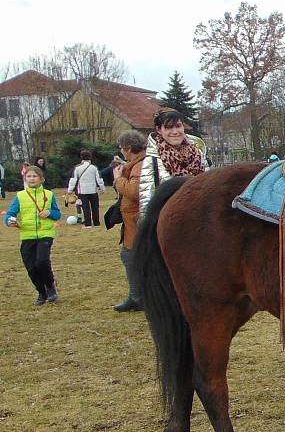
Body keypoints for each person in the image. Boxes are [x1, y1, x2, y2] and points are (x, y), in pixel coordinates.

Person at [3, 165, 61, 305]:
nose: (31, 179)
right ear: (25, 179)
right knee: (31, 267)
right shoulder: (20, 196)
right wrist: (10, 221)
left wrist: (50, 213)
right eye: (29, 176)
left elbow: (57, 213)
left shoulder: (49, 194)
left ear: (41, 179)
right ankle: (41, 292)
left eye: (34, 176)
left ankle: (50, 286)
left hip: (45, 233)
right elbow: (10, 213)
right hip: (27, 235)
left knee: (41, 261)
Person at [139, 108, 207, 216]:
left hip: (199, 219)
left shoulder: (199, 155)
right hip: (169, 222)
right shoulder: (152, 161)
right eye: (169, 127)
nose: (175, 132)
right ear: (159, 130)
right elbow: (146, 202)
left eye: (178, 126)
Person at [111, 131, 146, 312]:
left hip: (137, 220)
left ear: (128, 148)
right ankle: (136, 296)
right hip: (132, 220)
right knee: (128, 256)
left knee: (130, 257)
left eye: (122, 148)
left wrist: (118, 179)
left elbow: (134, 191)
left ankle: (138, 297)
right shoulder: (135, 164)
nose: (121, 151)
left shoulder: (139, 166)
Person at [67, 149, 104, 229]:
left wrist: (70, 190)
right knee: (95, 207)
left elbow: (73, 179)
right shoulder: (94, 168)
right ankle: (96, 223)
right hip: (93, 190)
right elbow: (99, 179)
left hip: (82, 191)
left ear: (81, 157)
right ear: (90, 157)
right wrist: (102, 188)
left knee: (85, 208)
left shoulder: (77, 168)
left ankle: (88, 224)